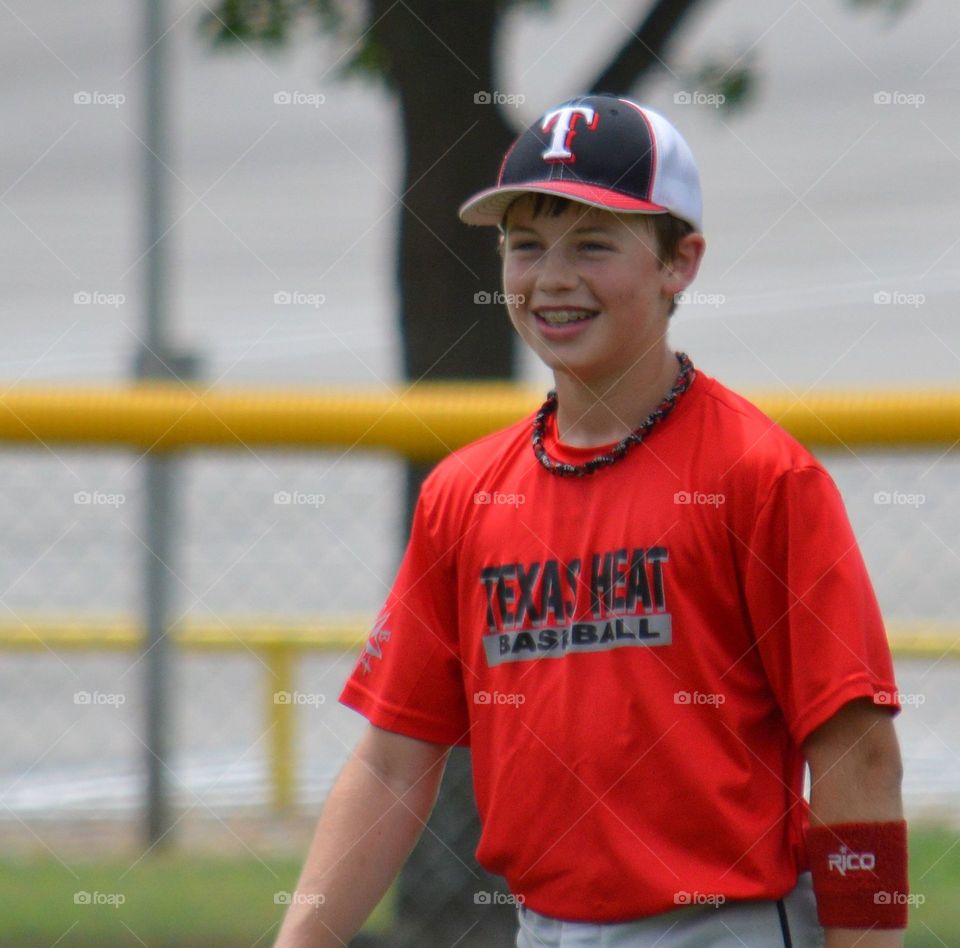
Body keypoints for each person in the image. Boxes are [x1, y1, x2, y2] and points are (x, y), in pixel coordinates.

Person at [275, 94, 907, 947]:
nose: (553, 278)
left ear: (680, 262)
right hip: (545, 929)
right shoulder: (466, 494)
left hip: (723, 927)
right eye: (526, 245)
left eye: (594, 244)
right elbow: (393, 764)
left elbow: (858, 754)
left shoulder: (759, 476)